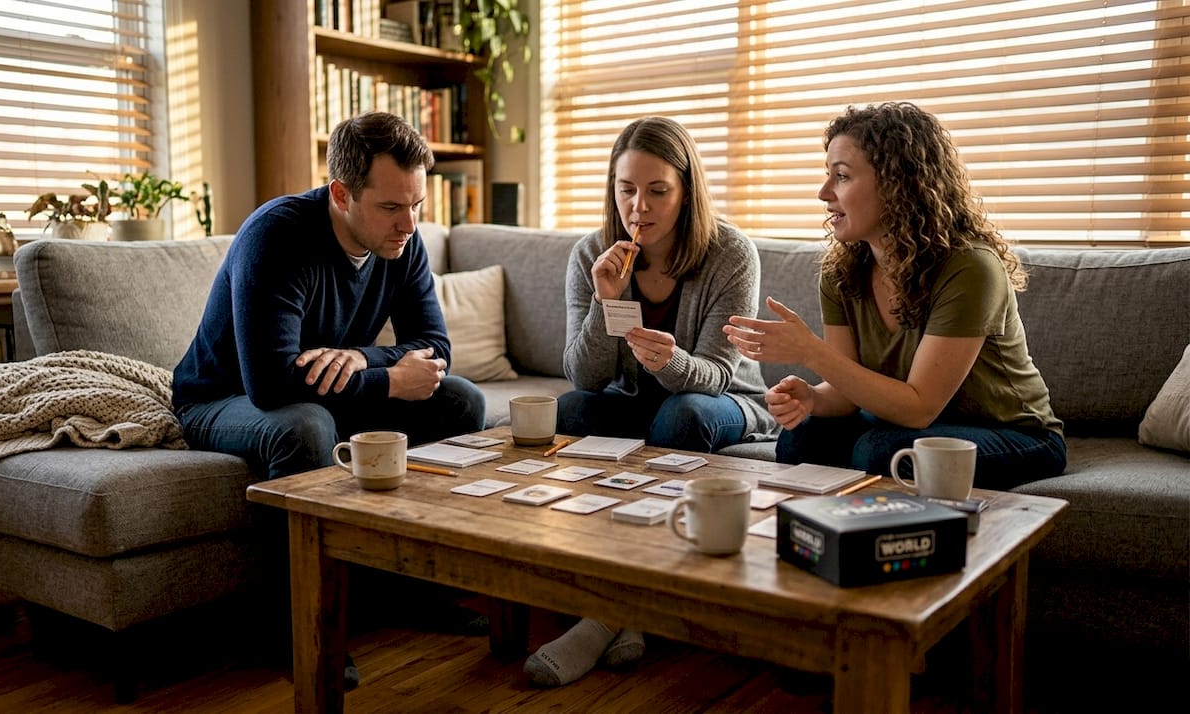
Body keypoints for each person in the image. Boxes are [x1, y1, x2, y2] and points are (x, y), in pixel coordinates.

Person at [171, 111, 487, 687]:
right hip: (220, 398)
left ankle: (417, 588)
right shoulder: (278, 235)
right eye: (392, 207)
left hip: (318, 389)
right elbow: (269, 381)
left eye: (416, 204)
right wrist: (390, 380)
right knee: (304, 427)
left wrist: (368, 358)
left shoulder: (403, 242)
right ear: (341, 194)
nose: (409, 224)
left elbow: (436, 346)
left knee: (460, 402)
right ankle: (301, 625)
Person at [524, 116, 776, 688]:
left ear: (687, 191)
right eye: (626, 189)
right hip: (636, 401)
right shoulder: (593, 253)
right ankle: (626, 605)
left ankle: (610, 612)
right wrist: (604, 301)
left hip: (726, 401)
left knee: (681, 413)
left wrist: (671, 362)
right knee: (570, 411)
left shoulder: (730, 253)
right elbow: (583, 376)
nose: (639, 206)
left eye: (658, 190)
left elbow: (715, 374)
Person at [724, 102, 1066, 489]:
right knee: (802, 436)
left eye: (842, 177)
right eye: (827, 176)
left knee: (881, 451)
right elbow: (845, 391)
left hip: (1015, 434)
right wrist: (813, 399)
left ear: (896, 183)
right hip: (909, 424)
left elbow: (920, 407)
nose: (823, 193)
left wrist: (810, 352)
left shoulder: (971, 268)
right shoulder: (842, 273)